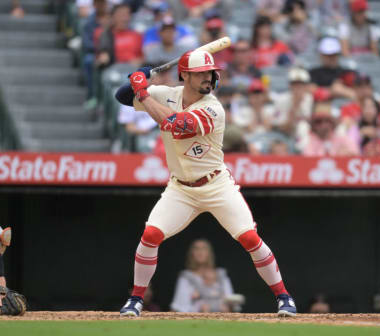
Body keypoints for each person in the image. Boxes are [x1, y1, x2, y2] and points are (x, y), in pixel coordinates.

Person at [115, 49, 296, 317]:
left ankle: (284, 296)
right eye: (201, 73)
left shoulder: (212, 108)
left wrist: (142, 91)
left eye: (211, 73)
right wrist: (139, 77)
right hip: (181, 188)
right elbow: (122, 97)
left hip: (216, 184)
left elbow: (174, 124)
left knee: (249, 238)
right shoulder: (167, 93)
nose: (209, 78)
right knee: (150, 236)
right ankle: (136, 299)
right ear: (185, 75)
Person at [170, 239, 243, 312]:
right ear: (191, 253)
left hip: (221, 315)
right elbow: (179, 306)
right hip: (196, 317)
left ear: (209, 253)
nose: (200, 252)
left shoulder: (220, 275)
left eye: (204, 249)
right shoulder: (186, 277)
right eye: (196, 249)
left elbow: (230, 299)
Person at [95, 4, 143, 68]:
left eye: (127, 14)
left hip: (133, 70)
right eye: (121, 15)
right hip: (113, 70)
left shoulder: (137, 35)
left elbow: (143, 56)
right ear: (112, 17)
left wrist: (139, 61)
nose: (125, 18)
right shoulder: (103, 34)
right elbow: (101, 55)